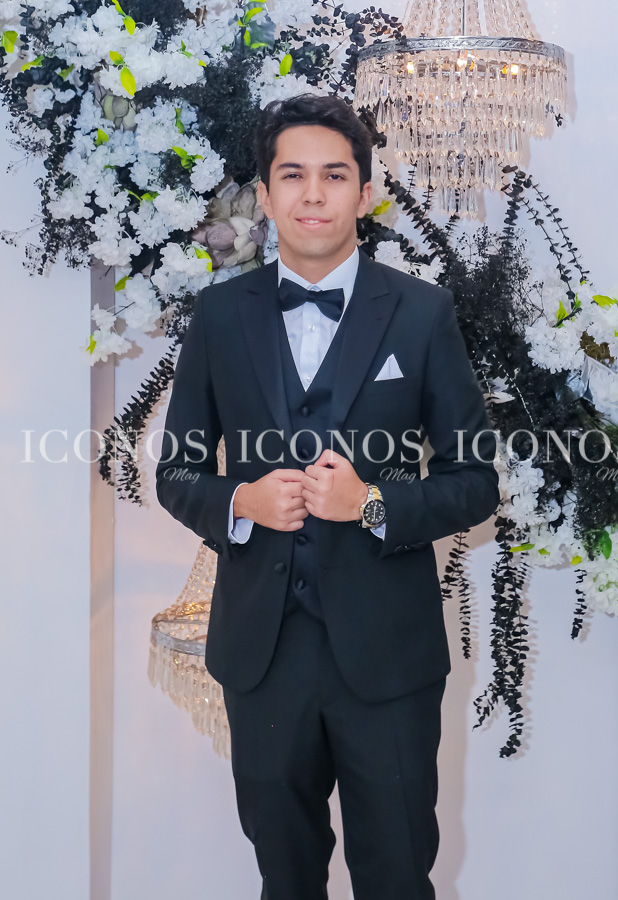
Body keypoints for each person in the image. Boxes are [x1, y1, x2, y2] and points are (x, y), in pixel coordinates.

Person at [155, 92, 500, 900]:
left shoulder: (421, 313)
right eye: (293, 175)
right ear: (265, 193)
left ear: (365, 193)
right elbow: (176, 472)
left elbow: (473, 481)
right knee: (284, 877)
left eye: (335, 175)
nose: (313, 194)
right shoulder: (217, 315)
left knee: (396, 875)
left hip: (387, 652)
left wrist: (370, 504)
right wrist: (239, 503)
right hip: (261, 652)